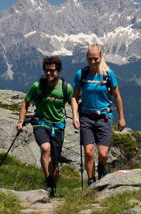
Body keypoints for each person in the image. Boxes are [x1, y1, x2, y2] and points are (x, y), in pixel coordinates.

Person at [17, 56, 72, 197]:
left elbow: (73, 101)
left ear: (58, 71)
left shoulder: (66, 88)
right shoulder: (37, 86)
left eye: (52, 71)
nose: (48, 73)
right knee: (45, 148)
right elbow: (25, 103)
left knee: (55, 161)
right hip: (41, 124)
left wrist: (78, 116)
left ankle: (53, 188)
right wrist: (21, 120)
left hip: (58, 126)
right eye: (46, 70)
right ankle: (48, 183)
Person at [71, 44, 126, 186]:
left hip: (104, 117)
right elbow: (74, 97)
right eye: (90, 59)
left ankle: (101, 167)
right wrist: (75, 116)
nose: (93, 61)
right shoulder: (81, 74)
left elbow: (117, 96)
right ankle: (91, 181)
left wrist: (121, 118)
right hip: (86, 117)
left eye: (95, 58)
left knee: (103, 154)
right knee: (88, 152)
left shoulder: (108, 74)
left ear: (101, 57)